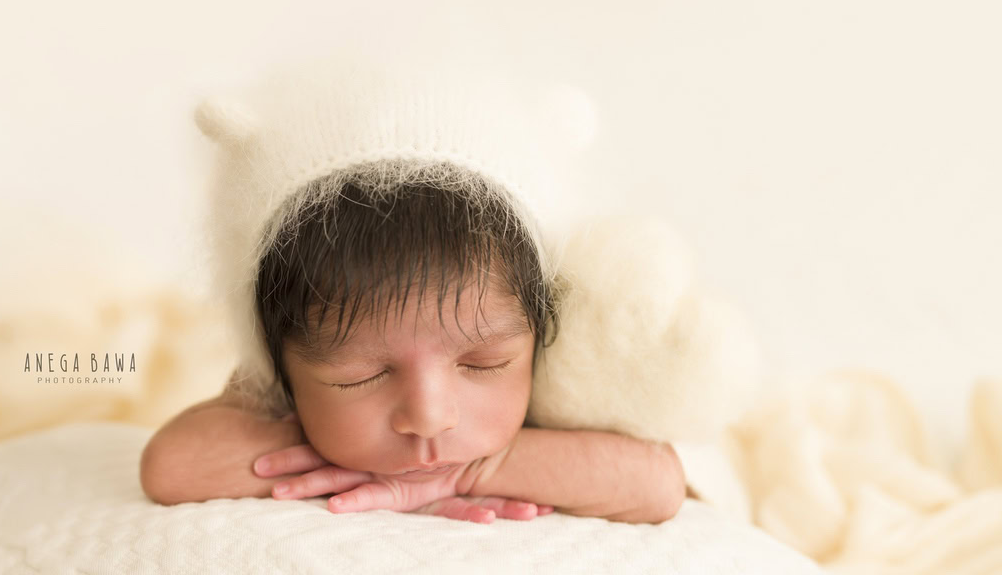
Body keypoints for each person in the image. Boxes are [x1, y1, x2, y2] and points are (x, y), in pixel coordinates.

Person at [140, 47, 697, 524]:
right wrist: (335, 451)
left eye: (482, 364)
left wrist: (478, 469)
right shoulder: (273, 379)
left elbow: (657, 483)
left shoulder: (557, 370)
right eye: (362, 375)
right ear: (278, 359)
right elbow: (172, 466)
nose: (430, 416)